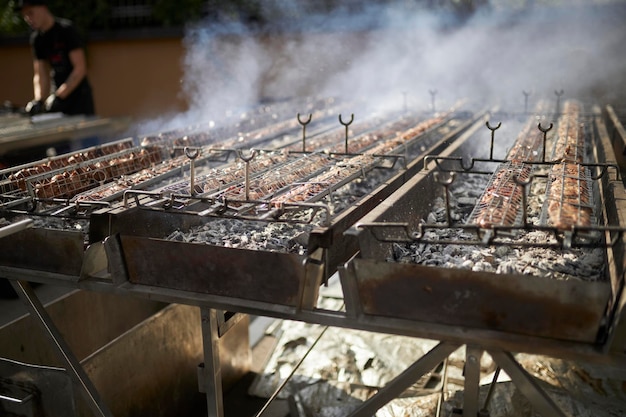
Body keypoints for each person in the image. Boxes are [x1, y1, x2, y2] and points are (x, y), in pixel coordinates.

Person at [16, 0, 95, 117]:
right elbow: (40, 73)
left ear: (43, 7)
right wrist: (39, 100)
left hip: (79, 100)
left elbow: (80, 68)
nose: (28, 18)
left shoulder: (66, 30)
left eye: (30, 13)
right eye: (25, 16)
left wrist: (59, 95)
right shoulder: (37, 39)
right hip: (58, 100)